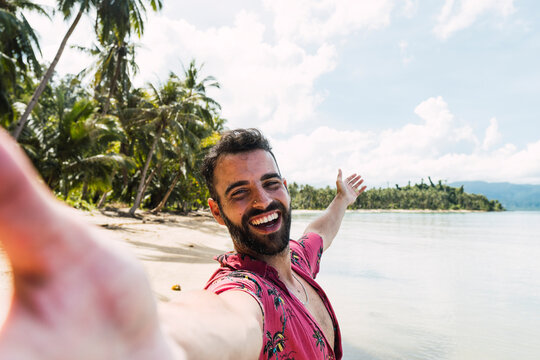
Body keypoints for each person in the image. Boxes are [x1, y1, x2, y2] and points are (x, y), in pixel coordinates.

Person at [0, 127, 365, 359]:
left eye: (271, 184)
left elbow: (321, 232)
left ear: (285, 187)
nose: (263, 201)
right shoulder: (243, 293)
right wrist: (153, 343)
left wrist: (341, 200)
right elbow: (220, 322)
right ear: (217, 212)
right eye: (240, 193)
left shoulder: (299, 263)